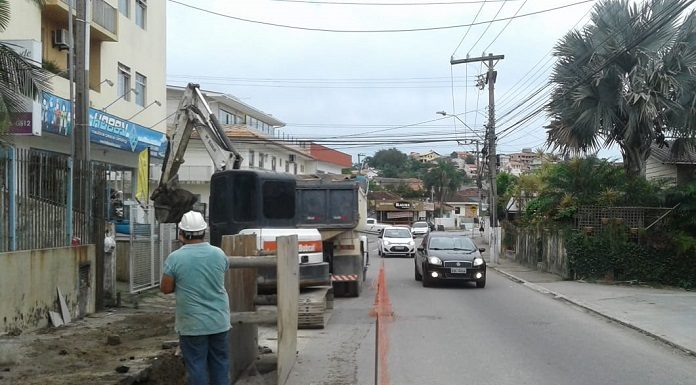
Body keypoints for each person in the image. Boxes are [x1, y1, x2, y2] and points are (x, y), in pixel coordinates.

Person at [160, 211, 230, 385]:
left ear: (181, 233)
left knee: (196, 366)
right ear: (204, 232)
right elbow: (220, 275)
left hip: (192, 324)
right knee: (220, 364)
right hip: (219, 321)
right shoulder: (219, 254)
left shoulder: (175, 258)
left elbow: (166, 288)